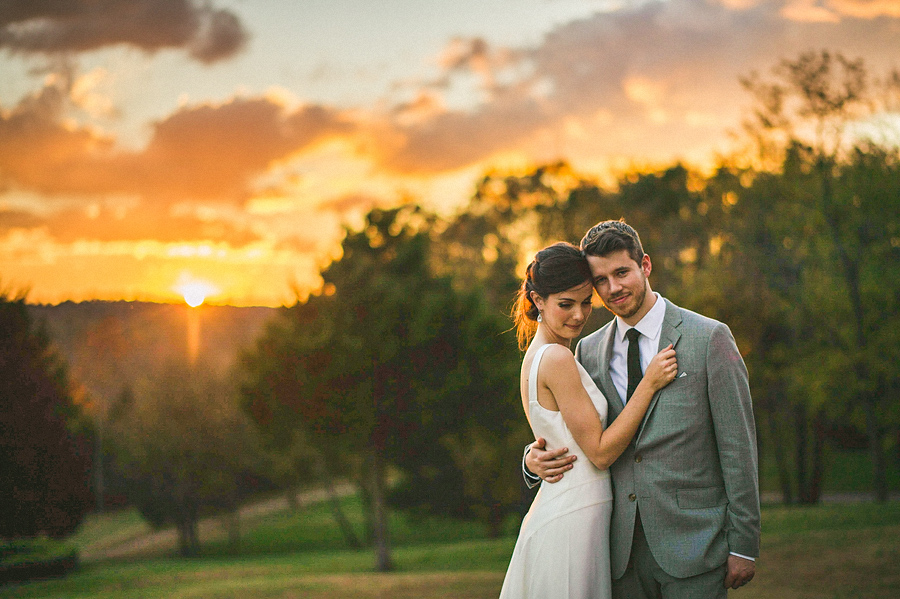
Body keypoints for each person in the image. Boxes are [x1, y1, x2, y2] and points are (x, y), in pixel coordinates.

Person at [524, 220, 760, 598]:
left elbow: (738, 446)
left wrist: (743, 544)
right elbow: (576, 429)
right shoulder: (586, 350)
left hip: (696, 548)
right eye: (600, 280)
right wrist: (532, 459)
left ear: (645, 265)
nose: (613, 288)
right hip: (617, 554)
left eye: (622, 272)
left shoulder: (708, 338)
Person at [500, 242, 678, 599]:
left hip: (571, 506)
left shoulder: (541, 355)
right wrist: (649, 384)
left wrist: (531, 459)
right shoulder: (557, 359)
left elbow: (555, 434)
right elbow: (598, 452)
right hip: (575, 515)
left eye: (586, 303)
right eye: (566, 304)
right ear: (538, 301)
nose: (579, 316)